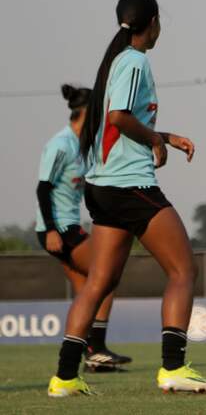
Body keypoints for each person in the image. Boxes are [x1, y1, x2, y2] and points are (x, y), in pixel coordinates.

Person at [48, 0, 206, 397]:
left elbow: (119, 124)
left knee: (99, 283)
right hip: (129, 186)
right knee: (183, 270)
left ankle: (65, 377)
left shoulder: (116, 61)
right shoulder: (134, 60)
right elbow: (119, 118)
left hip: (104, 187)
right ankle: (174, 369)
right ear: (153, 22)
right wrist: (156, 143)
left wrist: (165, 137)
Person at [36, 84, 132, 371]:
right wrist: (51, 230)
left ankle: (89, 356)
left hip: (71, 227)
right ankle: (97, 348)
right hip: (60, 230)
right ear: (88, 112)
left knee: (87, 290)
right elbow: (43, 189)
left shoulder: (82, 145)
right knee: (107, 274)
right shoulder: (60, 144)